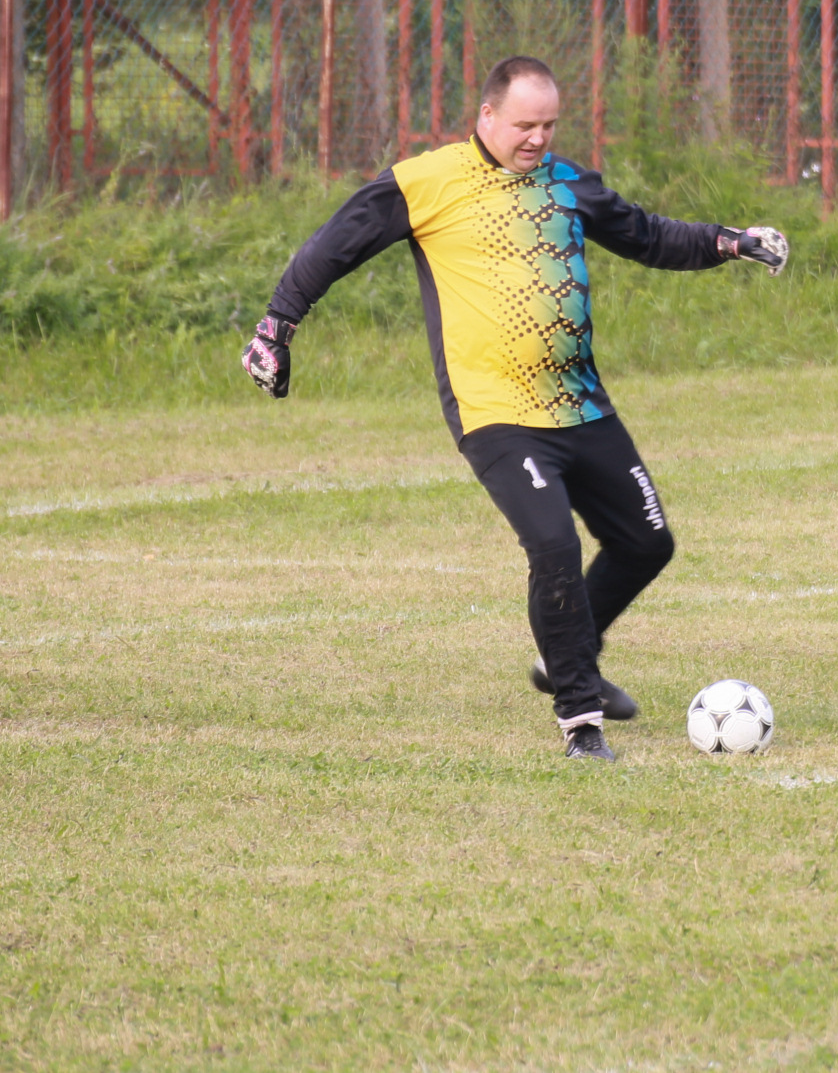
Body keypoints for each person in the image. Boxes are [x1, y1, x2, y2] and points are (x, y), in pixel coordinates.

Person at [240, 55, 788, 762]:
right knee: (554, 545)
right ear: (487, 115)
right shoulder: (427, 181)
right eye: (525, 124)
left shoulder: (567, 182)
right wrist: (276, 327)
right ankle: (580, 719)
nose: (538, 138)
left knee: (646, 542)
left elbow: (647, 235)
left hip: (580, 403)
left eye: (549, 125)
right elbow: (333, 246)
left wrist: (729, 242)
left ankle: (563, 654)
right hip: (493, 410)